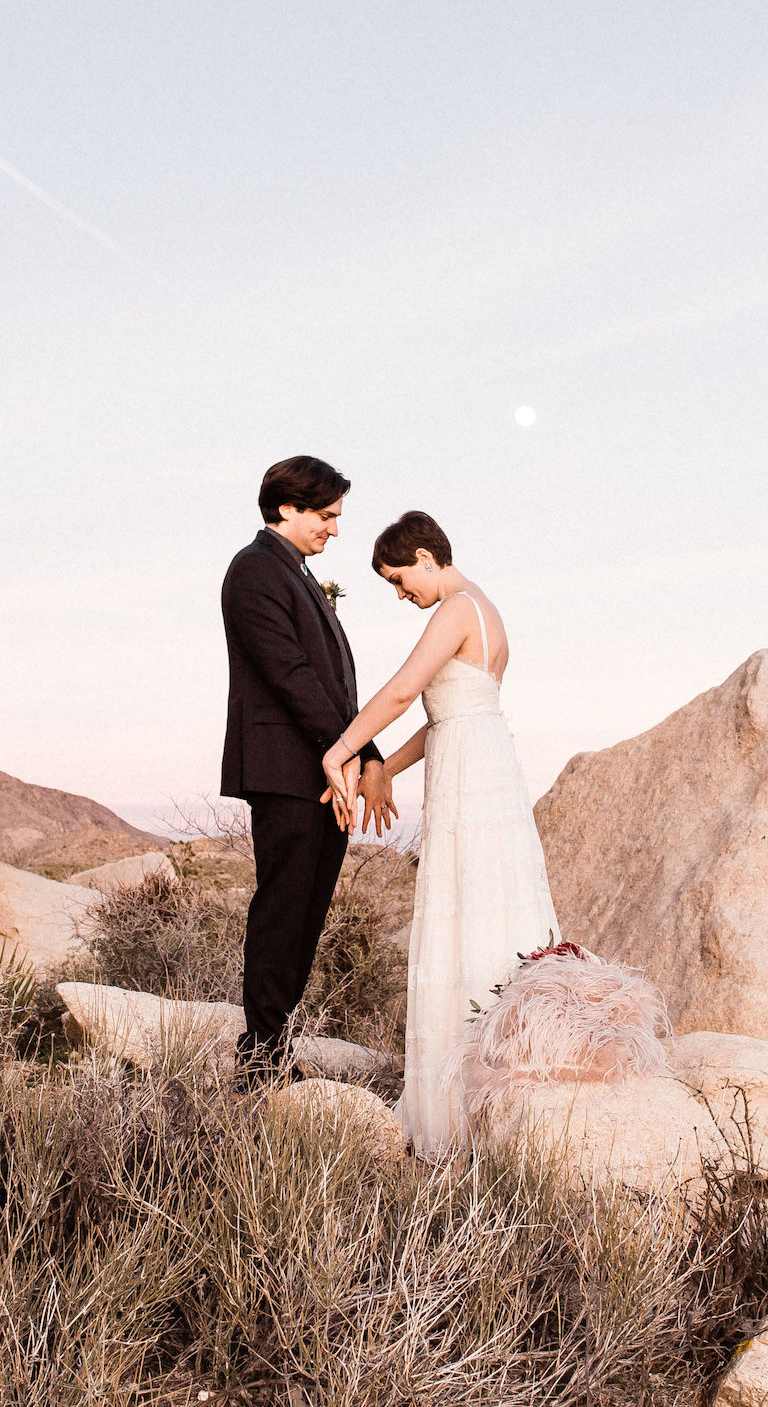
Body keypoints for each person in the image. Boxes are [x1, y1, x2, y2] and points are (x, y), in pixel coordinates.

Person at [322, 510, 561, 1158]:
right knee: (489, 910)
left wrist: (342, 753)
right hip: (479, 758)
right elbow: (445, 715)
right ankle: (497, 1097)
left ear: (426, 556)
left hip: (471, 775)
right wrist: (382, 772)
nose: (402, 596)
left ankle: (458, 1112)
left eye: (401, 581)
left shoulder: (455, 607)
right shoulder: (488, 613)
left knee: (467, 914)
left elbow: (404, 692)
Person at [221, 455, 393, 1085]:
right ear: (286, 507)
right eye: (326, 516)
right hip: (285, 771)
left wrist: (366, 754)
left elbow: (332, 687)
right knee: (283, 908)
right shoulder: (254, 571)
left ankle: (275, 1043)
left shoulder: (294, 575)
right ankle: (260, 1054)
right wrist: (346, 750)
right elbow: (289, 675)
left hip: (325, 773)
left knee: (309, 910)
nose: (335, 530)